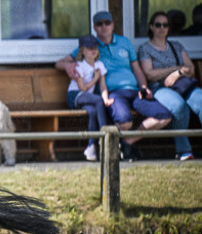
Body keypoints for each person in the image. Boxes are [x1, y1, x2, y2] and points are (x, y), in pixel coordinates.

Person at [56, 11, 172, 161]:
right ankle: (113, 145)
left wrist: (143, 87)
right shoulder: (91, 46)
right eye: (99, 24)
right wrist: (66, 66)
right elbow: (59, 62)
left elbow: (136, 68)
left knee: (164, 116)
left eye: (107, 22)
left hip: (134, 91)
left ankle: (127, 142)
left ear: (113, 25)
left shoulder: (125, 43)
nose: (104, 26)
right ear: (94, 27)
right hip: (113, 93)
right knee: (125, 122)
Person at [137, 10, 202, 161]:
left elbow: (190, 69)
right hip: (159, 88)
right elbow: (150, 74)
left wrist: (177, 74)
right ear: (151, 27)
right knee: (179, 106)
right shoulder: (145, 49)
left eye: (165, 25)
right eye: (158, 25)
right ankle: (183, 150)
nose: (162, 28)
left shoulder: (176, 46)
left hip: (182, 85)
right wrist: (176, 69)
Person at [66, 35, 113, 162]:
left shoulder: (99, 65)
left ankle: (91, 146)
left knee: (93, 111)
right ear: (83, 51)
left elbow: (103, 86)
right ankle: (105, 139)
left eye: (95, 48)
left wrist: (106, 99)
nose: (93, 50)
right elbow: (83, 88)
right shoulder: (79, 66)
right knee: (98, 100)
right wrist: (95, 79)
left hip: (87, 99)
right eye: (89, 48)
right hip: (74, 96)